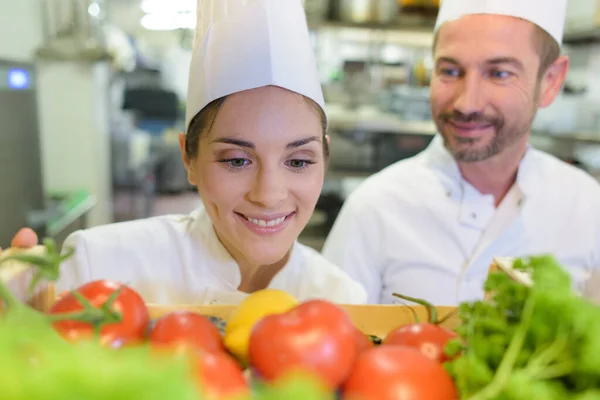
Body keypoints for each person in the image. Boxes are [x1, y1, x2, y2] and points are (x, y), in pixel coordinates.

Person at [4, 0, 367, 306]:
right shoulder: (95, 265)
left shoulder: (341, 300)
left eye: (299, 161)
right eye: (237, 160)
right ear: (188, 159)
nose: (269, 193)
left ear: (325, 157)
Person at [322, 0, 600, 306]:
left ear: (550, 81)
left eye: (499, 73)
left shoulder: (587, 207)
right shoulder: (375, 207)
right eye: (450, 71)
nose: (467, 104)